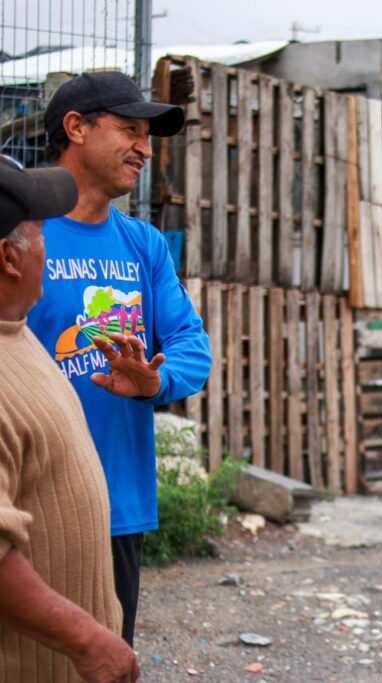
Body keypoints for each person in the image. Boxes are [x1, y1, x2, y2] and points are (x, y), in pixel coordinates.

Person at [27, 71, 211, 646]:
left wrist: (153, 382)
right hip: (31, 503)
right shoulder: (20, 234)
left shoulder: (144, 244)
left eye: (148, 135)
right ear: (76, 128)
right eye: (129, 129)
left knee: (109, 657)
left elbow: (192, 346)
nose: (144, 148)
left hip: (117, 502)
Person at [0, 155, 139, 681]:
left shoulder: (17, 329)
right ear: (8, 259)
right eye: (39, 231)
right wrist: (85, 641)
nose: (48, 246)